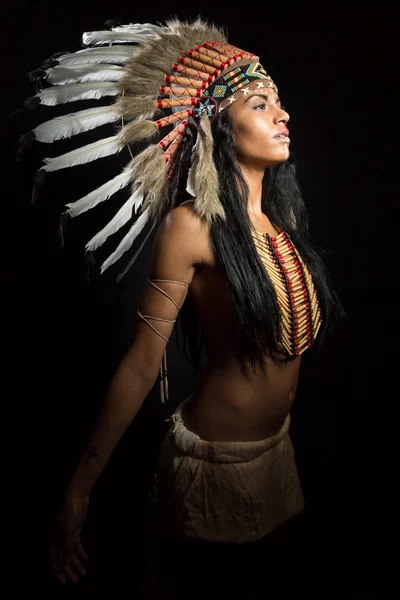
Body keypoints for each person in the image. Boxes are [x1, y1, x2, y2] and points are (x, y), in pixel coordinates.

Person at [17, 18, 345, 596]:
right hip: (213, 468)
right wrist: (78, 489)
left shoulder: (280, 224)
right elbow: (143, 364)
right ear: (219, 125)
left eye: (280, 104)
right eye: (261, 104)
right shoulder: (191, 226)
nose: (282, 115)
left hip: (280, 452)